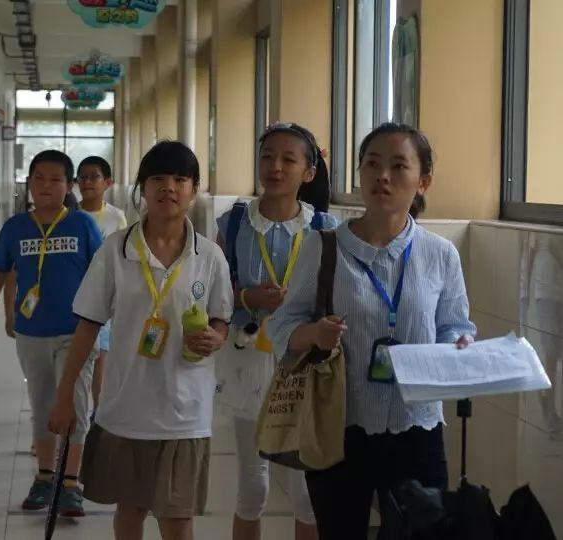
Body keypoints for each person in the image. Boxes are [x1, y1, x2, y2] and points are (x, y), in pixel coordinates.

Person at [267, 122, 477, 539]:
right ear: (359, 172)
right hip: (339, 425)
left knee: (421, 533)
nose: (383, 176)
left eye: (398, 166)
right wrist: (314, 334)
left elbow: (455, 325)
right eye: (372, 164)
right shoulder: (323, 247)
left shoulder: (440, 254)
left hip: (417, 426)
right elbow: (282, 326)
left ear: (423, 181)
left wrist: (459, 343)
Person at [48, 141, 234, 540]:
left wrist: (215, 337)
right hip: (126, 407)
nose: (169, 187)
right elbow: (88, 325)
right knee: (130, 512)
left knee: (177, 520)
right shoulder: (115, 251)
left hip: (185, 412)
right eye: (158, 178)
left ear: (194, 188)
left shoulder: (209, 256)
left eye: (180, 179)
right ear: (142, 187)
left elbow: (222, 318)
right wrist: (65, 395)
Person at [215, 122, 337, 540]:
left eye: (288, 159)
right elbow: (213, 294)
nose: (276, 167)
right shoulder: (234, 223)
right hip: (248, 359)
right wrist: (247, 297)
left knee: (306, 492)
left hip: (303, 362)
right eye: (267, 157)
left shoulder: (326, 228)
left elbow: (339, 294)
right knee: (253, 486)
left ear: (309, 172)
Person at [0, 149, 102, 518]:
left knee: (75, 403)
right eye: (39, 179)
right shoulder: (15, 228)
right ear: (29, 183)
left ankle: (70, 483)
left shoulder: (82, 225)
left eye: (55, 180)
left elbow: (102, 275)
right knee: (42, 403)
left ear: (69, 186)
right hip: (32, 332)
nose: (46, 186)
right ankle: (45, 477)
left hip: (77, 332)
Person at [76, 156, 128, 414]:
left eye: (94, 176)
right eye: (82, 177)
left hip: (105, 295)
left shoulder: (116, 217)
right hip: (74, 295)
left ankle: (99, 411)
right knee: (75, 354)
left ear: (108, 182)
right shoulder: (70, 215)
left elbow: (123, 257)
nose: (87, 182)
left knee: (102, 355)